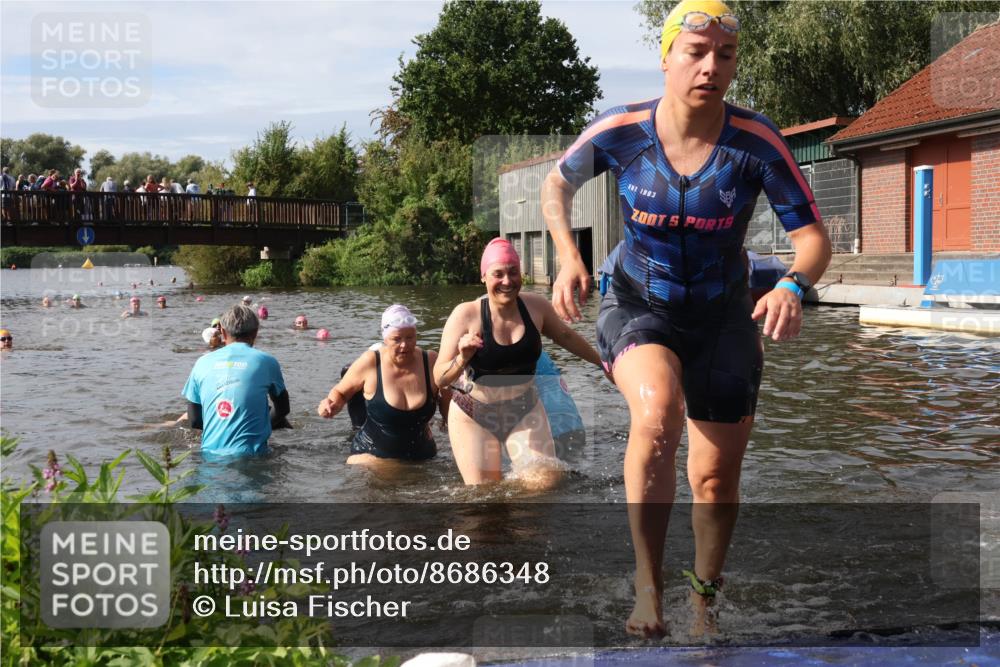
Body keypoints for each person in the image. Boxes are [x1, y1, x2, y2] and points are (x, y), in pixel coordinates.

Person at [539, 0, 832, 637]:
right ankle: (647, 587)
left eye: (724, 56)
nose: (710, 67)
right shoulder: (620, 130)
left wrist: (790, 283)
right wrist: (568, 256)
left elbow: (814, 238)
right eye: (696, 53)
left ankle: (703, 601)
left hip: (725, 317)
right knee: (657, 409)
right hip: (638, 302)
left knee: (715, 475)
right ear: (667, 57)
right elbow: (556, 184)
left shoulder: (755, 143)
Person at [434, 239, 604, 490]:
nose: (507, 281)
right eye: (498, 274)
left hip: (524, 410)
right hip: (475, 413)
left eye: (513, 272)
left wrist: (606, 365)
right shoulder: (466, 314)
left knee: (543, 484)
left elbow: (567, 337)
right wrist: (463, 357)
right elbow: (440, 378)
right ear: (483, 277)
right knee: (485, 498)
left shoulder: (536, 307)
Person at [318, 304, 448, 464]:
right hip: (371, 456)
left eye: (410, 337)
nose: (404, 345)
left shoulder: (431, 361)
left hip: (423, 457)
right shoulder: (371, 361)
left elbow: (449, 403)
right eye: (397, 339)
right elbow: (341, 392)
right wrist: (331, 405)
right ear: (385, 339)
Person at [182, 305, 290, 457]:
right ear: (256, 333)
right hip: (254, 457)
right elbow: (283, 409)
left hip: (210, 457)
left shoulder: (201, 362)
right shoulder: (266, 361)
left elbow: (194, 421)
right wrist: (260, 426)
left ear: (223, 333)